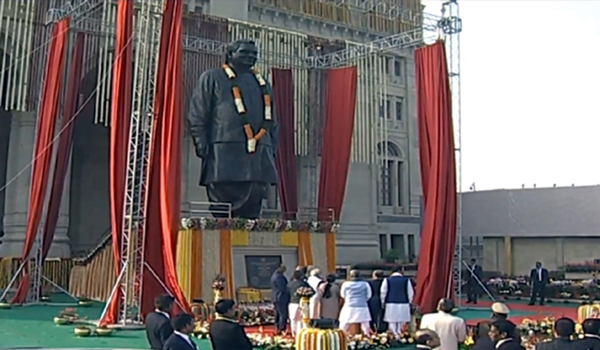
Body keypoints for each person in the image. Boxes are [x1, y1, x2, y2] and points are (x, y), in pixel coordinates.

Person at [187, 38, 279, 219]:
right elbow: (198, 112)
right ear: (230, 55)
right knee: (223, 200)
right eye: (244, 52)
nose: (250, 57)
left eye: (254, 54)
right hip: (224, 149)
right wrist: (200, 140)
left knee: (255, 198)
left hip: (259, 150)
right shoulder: (212, 77)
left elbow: (272, 119)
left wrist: (271, 146)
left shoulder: (263, 83)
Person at [381, 266, 414, 335]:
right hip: (404, 303)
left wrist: (383, 302)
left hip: (391, 303)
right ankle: (402, 337)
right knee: (402, 323)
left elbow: (383, 292)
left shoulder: (387, 280)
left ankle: (393, 337)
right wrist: (410, 302)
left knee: (392, 323)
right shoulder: (406, 280)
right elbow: (410, 292)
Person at [339, 270, 372, 335]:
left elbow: (342, 295)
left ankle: (341, 337)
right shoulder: (365, 284)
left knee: (344, 323)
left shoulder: (345, 284)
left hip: (349, 306)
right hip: (362, 306)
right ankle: (367, 338)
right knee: (365, 324)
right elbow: (369, 295)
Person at [288, 270, 311, 335]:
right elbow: (312, 291)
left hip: (292, 302)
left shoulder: (290, 284)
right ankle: (301, 333)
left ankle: (293, 332)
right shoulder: (303, 284)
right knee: (301, 319)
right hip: (302, 303)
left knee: (293, 319)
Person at [270, 264, 290, 335]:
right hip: (281, 297)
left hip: (276, 297)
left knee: (278, 314)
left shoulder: (274, 275)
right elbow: (282, 288)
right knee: (282, 314)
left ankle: (277, 327)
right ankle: (281, 329)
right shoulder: (279, 277)